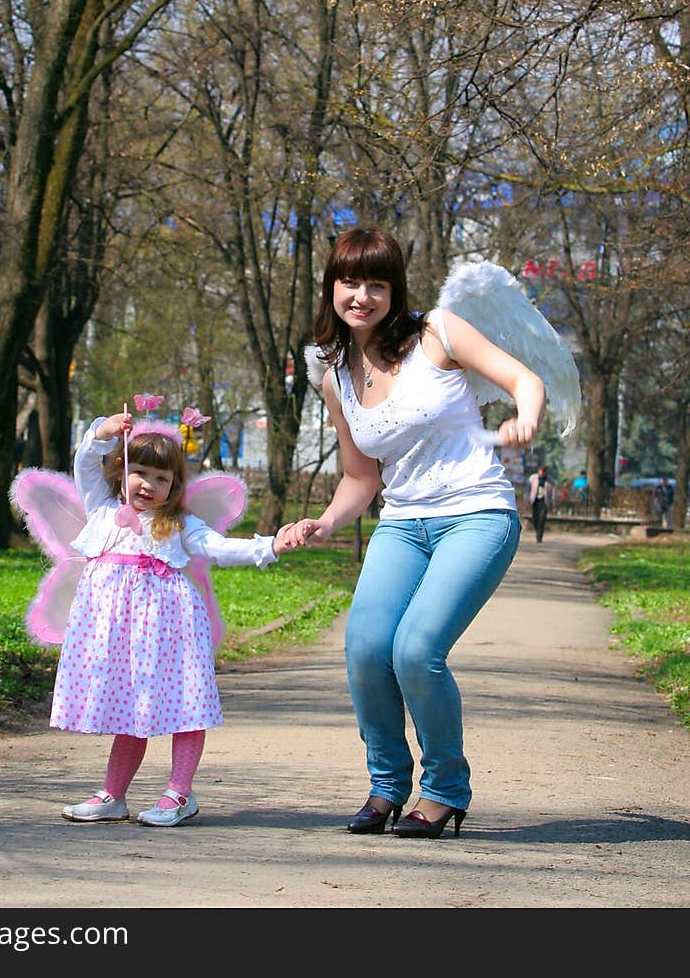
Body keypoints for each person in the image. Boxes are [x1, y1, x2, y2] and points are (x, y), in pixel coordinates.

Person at [285, 227, 545, 840]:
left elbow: (525, 381)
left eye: (378, 283)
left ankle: (446, 790)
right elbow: (360, 475)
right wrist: (323, 521)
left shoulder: (439, 333)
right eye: (351, 282)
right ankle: (385, 787)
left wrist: (524, 418)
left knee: (416, 650)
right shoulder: (335, 372)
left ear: (394, 290)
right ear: (332, 288)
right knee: (366, 649)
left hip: (476, 514)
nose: (363, 296)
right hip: (402, 524)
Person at [52, 409, 298, 828]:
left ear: (174, 486)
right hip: (114, 633)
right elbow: (84, 461)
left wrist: (271, 545)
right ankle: (114, 794)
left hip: (168, 628)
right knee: (129, 708)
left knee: (186, 704)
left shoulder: (179, 524)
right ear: (121, 471)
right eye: (140, 472)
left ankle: (179, 793)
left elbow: (220, 547)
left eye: (162, 478)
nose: (148, 484)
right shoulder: (102, 509)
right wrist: (102, 431)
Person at [526, 464, 554, 543]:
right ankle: (537, 529)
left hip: (544, 501)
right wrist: (527, 499)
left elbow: (553, 492)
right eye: (540, 472)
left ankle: (539, 536)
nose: (541, 473)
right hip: (535, 500)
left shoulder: (550, 480)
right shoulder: (532, 478)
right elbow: (527, 490)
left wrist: (552, 503)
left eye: (543, 472)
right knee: (535, 518)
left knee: (542, 519)